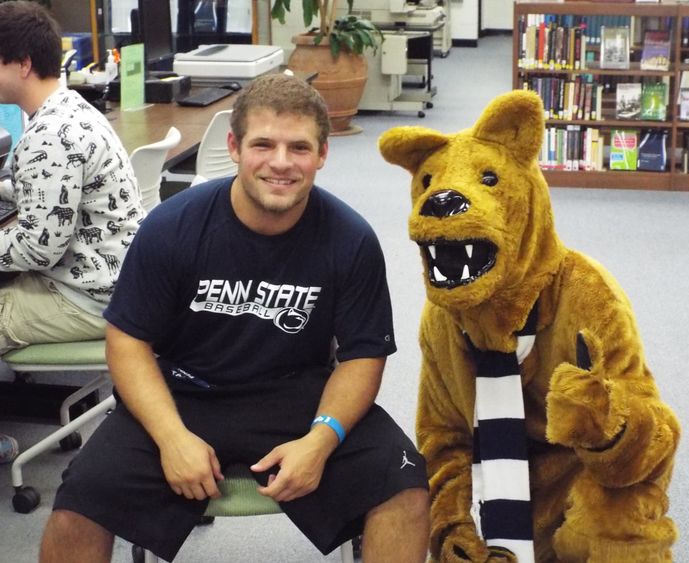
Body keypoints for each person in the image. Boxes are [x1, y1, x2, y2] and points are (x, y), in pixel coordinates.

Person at [38, 73, 430, 562]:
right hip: (184, 393)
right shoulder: (172, 228)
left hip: (299, 396)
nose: (281, 163)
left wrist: (322, 439)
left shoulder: (350, 239)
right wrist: (171, 437)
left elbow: (363, 354)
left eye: (300, 148)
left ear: (323, 154)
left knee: (406, 487)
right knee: (79, 503)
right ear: (235, 146)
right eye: (263, 144)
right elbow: (128, 341)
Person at [0, 1, 145, 462]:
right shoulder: (68, 108)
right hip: (111, 282)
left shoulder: (51, 134)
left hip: (87, 299)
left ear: (22, 64)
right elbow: (49, 188)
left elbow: (36, 248)